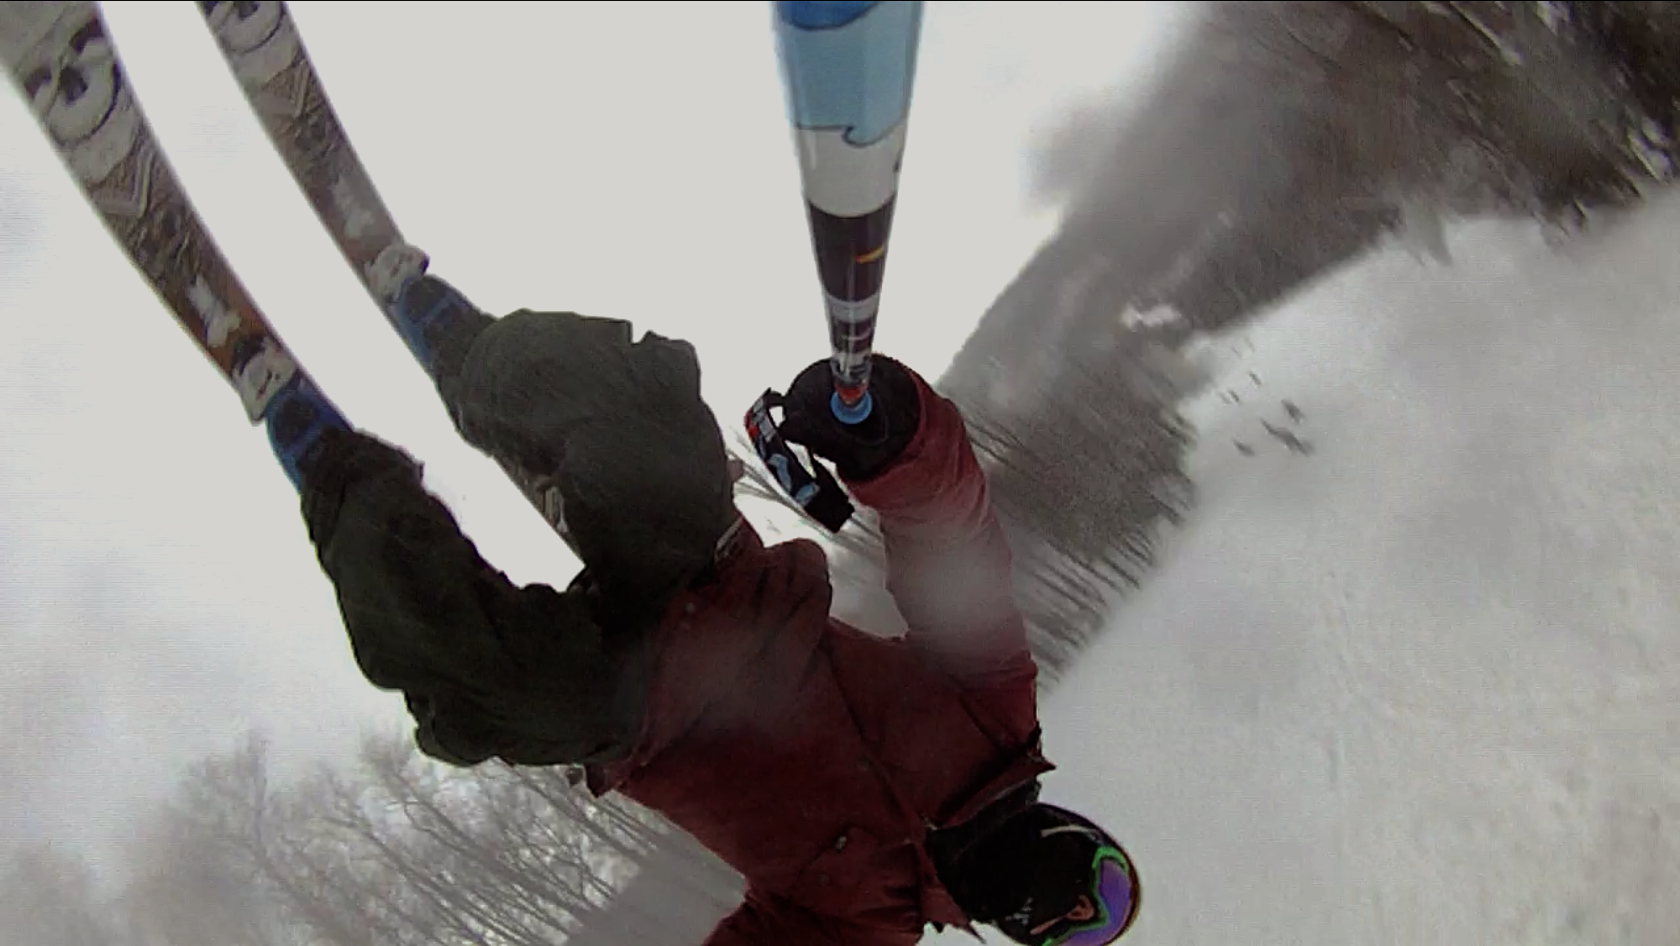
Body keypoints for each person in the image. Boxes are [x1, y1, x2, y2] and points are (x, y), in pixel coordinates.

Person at [283, 273, 1142, 945]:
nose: (1068, 906)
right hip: (721, 584)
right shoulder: (995, 717)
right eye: (1093, 881)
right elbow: (956, 543)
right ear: (1075, 828)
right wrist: (899, 439)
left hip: (631, 714)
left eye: (1073, 932)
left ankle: (337, 478)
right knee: (653, 424)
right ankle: (471, 353)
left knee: (492, 695)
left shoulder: (860, 927)